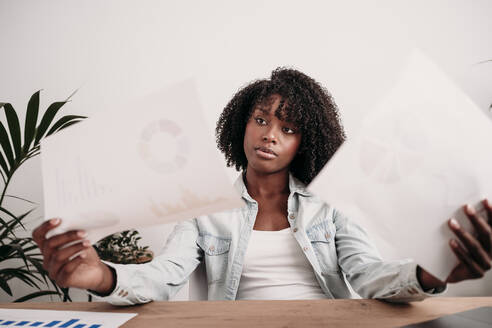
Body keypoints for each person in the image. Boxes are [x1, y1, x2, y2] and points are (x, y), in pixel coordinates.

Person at [32, 68, 492, 304]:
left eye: (288, 129)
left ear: (305, 143)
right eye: (260, 120)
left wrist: (432, 275)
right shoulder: (205, 207)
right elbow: (164, 274)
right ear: (241, 127)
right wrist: (99, 276)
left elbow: (369, 276)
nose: (270, 134)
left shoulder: (331, 207)